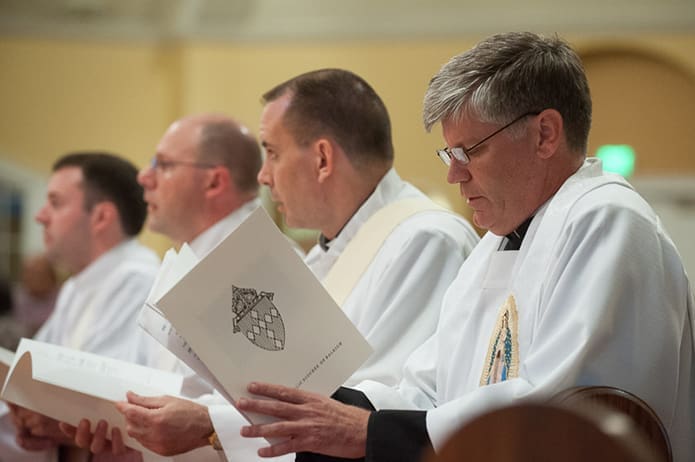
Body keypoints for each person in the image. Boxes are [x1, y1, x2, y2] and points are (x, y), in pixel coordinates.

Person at [231, 32, 695, 462]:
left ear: (545, 134)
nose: (454, 175)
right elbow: (426, 387)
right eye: (449, 154)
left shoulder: (605, 218)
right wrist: (321, 408)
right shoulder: (492, 245)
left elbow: (560, 411)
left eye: (469, 151)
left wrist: (371, 433)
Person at [81, 70, 479, 461]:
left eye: (271, 152)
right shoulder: (329, 251)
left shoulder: (424, 239)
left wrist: (209, 425)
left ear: (323, 158)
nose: (262, 176)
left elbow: (382, 411)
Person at [62, 113, 265, 461]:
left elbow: (278, 415)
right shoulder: (183, 263)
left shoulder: (260, 268)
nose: (144, 176)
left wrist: (205, 428)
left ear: (214, 182)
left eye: (164, 164)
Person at [0, 152, 160, 462]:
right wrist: (25, 411)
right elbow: (32, 376)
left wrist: (41, 414)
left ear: (101, 217)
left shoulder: (138, 280)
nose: (40, 216)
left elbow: (103, 404)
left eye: (56, 203)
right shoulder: (77, 285)